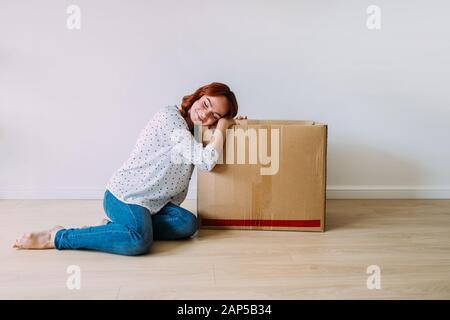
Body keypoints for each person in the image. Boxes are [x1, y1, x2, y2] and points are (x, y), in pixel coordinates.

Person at [12, 82, 247, 256]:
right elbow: (206, 161)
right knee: (139, 242)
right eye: (206, 104)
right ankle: (57, 237)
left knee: (187, 224)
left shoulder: (196, 129)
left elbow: (210, 145)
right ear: (199, 94)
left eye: (213, 115)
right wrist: (223, 127)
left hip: (154, 205)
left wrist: (232, 125)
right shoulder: (170, 118)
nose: (204, 114)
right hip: (125, 197)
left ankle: (113, 230)